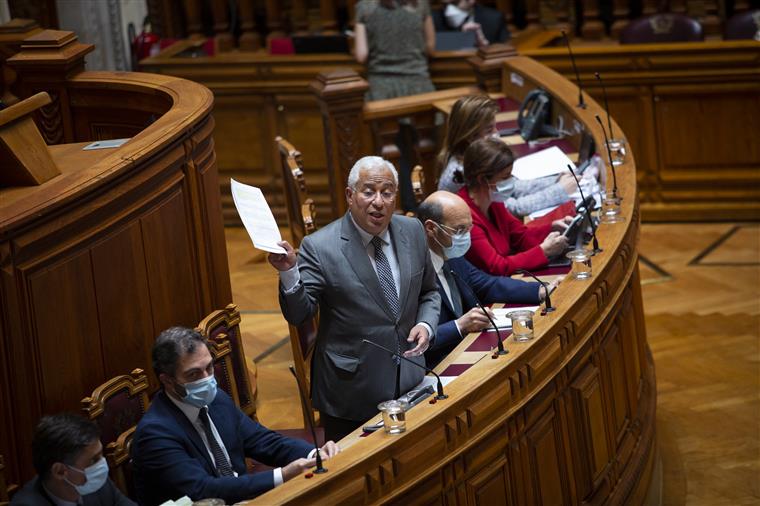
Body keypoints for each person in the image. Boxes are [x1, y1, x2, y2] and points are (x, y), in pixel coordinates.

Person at [270, 156, 440, 442]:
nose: (378, 201)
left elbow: (430, 291)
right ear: (350, 195)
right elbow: (300, 314)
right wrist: (289, 273)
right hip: (351, 394)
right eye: (369, 191)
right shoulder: (320, 246)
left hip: (411, 381)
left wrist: (426, 324)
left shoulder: (412, 230)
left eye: (387, 192)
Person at [132, 327, 339, 505]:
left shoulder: (216, 399)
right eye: (193, 374)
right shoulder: (156, 433)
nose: (207, 379)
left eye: (209, 368)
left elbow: (262, 440)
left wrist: (315, 455)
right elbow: (202, 490)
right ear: (167, 381)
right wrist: (283, 475)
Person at [417, 191, 560, 367]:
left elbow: (487, 284)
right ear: (431, 228)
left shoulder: (451, 255)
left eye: (468, 229)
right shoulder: (412, 272)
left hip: (470, 352)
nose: (465, 237)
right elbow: (410, 340)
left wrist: (539, 290)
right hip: (438, 367)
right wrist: (459, 325)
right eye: (459, 230)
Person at [437, 94, 577, 218]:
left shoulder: (473, 155)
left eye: (495, 126)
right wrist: (560, 190)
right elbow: (511, 208)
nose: (496, 134)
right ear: (470, 136)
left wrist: (555, 180)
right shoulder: (462, 172)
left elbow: (512, 187)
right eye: (489, 129)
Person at [459, 137, 571, 276]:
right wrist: (543, 251)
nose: (511, 181)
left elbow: (520, 236)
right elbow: (497, 267)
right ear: (482, 179)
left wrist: (552, 228)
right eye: (505, 177)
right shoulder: (464, 217)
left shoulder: (494, 201)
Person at [11, 413, 135, 506]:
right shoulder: (26, 504)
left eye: (101, 455)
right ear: (59, 471)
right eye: (94, 460)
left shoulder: (97, 483)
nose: (102, 464)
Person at [353, 0, 436, 101]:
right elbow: (430, 47)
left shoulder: (364, 6)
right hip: (418, 83)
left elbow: (361, 55)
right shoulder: (420, 4)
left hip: (380, 88)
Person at [431, 0, 510, 47]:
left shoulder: (494, 19)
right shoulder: (433, 20)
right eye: (445, 5)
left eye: (455, 3)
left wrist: (484, 46)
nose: (448, 11)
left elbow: (506, 52)